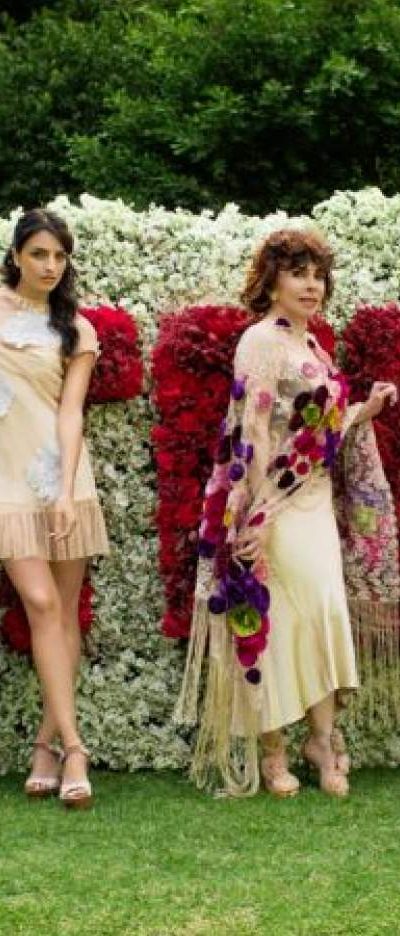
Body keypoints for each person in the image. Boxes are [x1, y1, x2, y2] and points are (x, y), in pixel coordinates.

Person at [176, 228, 398, 798]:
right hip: (270, 504)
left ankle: (321, 740)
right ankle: (273, 747)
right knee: (273, 620)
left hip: (314, 502)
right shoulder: (260, 341)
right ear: (272, 282)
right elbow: (252, 431)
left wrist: (364, 409)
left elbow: (319, 431)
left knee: (322, 612)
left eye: (318, 275)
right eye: (298, 273)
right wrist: (256, 514)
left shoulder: (314, 346)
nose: (311, 285)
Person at [0, 208, 109, 807]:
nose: (50, 266)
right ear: (16, 255)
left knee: (63, 614)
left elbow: (71, 413)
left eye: (59, 256)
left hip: (62, 478)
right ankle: (75, 747)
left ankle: (47, 746)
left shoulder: (76, 329)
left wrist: (65, 491)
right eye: (39, 254)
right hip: (5, 484)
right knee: (40, 603)